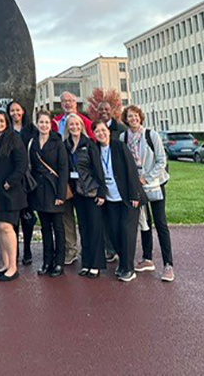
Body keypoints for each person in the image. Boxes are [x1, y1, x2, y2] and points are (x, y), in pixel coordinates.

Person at [121, 105, 175, 282]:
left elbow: (161, 160)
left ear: (140, 117)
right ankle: (147, 258)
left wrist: (147, 177)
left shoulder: (151, 135)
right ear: (126, 119)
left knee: (160, 223)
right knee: (143, 222)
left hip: (154, 184)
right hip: (136, 187)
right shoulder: (124, 137)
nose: (133, 119)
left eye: (136, 116)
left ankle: (168, 265)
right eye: (130, 116)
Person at [91, 119, 143, 282]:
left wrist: (135, 194)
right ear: (94, 134)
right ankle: (123, 262)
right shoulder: (95, 150)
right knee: (114, 233)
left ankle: (129, 268)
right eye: (97, 131)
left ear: (108, 131)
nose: (101, 133)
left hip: (127, 197)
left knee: (127, 232)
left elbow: (132, 170)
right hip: (110, 198)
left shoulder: (119, 147)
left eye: (103, 130)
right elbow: (96, 176)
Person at [0, 110, 27, 282]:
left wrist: (10, 182)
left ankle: (13, 267)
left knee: (8, 228)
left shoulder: (14, 138)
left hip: (9, 192)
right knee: (0, 227)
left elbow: (22, 164)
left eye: (2, 121)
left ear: (7, 123)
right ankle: (5, 263)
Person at [27, 110, 69, 277]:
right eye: (41, 122)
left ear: (50, 124)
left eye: (46, 122)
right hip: (39, 190)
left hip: (54, 189)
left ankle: (59, 262)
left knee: (58, 228)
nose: (43, 125)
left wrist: (61, 194)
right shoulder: (32, 142)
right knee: (44, 228)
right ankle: (46, 262)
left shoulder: (57, 142)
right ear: (37, 124)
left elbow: (63, 168)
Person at [65, 113, 106, 278]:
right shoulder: (66, 145)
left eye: (77, 124)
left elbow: (98, 169)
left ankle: (96, 264)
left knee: (95, 228)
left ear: (81, 125)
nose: (74, 127)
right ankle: (87, 262)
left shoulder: (89, 145)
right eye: (71, 125)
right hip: (77, 194)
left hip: (92, 192)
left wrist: (101, 191)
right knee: (83, 228)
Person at [54, 90, 91, 264]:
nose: (68, 103)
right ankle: (71, 250)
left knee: (85, 216)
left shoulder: (86, 123)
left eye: (71, 100)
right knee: (66, 217)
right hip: (65, 179)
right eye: (64, 101)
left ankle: (89, 249)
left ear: (76, 102)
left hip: (84, 181)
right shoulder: (56, 123)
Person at [8, 99, 38, 266]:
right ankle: (15, 250)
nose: (15, 114)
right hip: (11, 179)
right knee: (13, 217)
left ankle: (27, 248)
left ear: (24, 112)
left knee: (27, 216)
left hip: (27, 179)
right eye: (12, 111)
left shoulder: (31, 130)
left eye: (18, 110)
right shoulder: (6, 130)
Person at [95, 100, 122, 262]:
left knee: (119, 220)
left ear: (111, 111)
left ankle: (122, 248)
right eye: (101, 109)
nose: (104, 111)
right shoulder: (95, 129)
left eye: (106, 109)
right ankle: (110, 249)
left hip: (118, 182)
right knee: (105, 219)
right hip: (103, 183)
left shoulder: (121, 129)